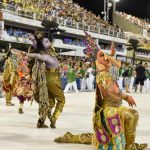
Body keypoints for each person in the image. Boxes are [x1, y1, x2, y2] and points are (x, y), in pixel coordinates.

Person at [54, 33, 147, 150]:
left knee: (134, 113)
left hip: (116, 107)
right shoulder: (102, 74)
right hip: (109, 110)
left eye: (106, 55)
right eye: (102, 56)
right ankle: (126, 146)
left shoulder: (107, 71)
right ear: (97, 61)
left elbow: (116, 64)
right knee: (129, 116)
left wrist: (112, 54)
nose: (106, 57)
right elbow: (113, 89)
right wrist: (127, 97)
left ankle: (130, 145)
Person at [16, 32, 65, 128]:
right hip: (52, 78)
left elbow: (39, 46)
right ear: (42, 45)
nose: (49, 43)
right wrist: (28, 52)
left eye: (49, 41)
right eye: (46, 41)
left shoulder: (50, 51)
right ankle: (54, 118)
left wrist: (35, 39)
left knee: (50, 101)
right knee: (61, 100)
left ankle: (41, 121)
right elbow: (37, 55)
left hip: (51, 77)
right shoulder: (45, 55)